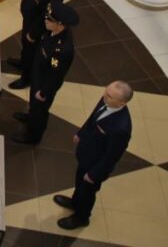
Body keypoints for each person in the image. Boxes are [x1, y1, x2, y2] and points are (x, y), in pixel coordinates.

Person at [54, 80, 134, 230]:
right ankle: (75, 202)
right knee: (79, 183)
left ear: (122, 103)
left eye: (109, 96)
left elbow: (112, 157)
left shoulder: (121, 128)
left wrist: (94, 174)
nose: (104, 95)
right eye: (106, 91)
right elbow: (93, 117)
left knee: (87, 192)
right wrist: (81, 132)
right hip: (86, 154)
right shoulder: (107, 100)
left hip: (95, 165)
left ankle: (81, 217)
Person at [12, 2, 77, 145]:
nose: (46, 20)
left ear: (60, 25)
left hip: (44, 85)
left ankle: (33, 136)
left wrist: (44, 92)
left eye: (49, 19)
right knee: (34, 106)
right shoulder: (51, 30)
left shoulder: (63, 50)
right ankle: (30, 117)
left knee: (39, 111)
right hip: (38, 76)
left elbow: (56, 75)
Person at [8, 0, 68, 90]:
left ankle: (26, 78)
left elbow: (45, 17)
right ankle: (23, 62)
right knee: (25, 46)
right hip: (29, 20)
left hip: (35, 27)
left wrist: (33, 34)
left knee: (31, 51)